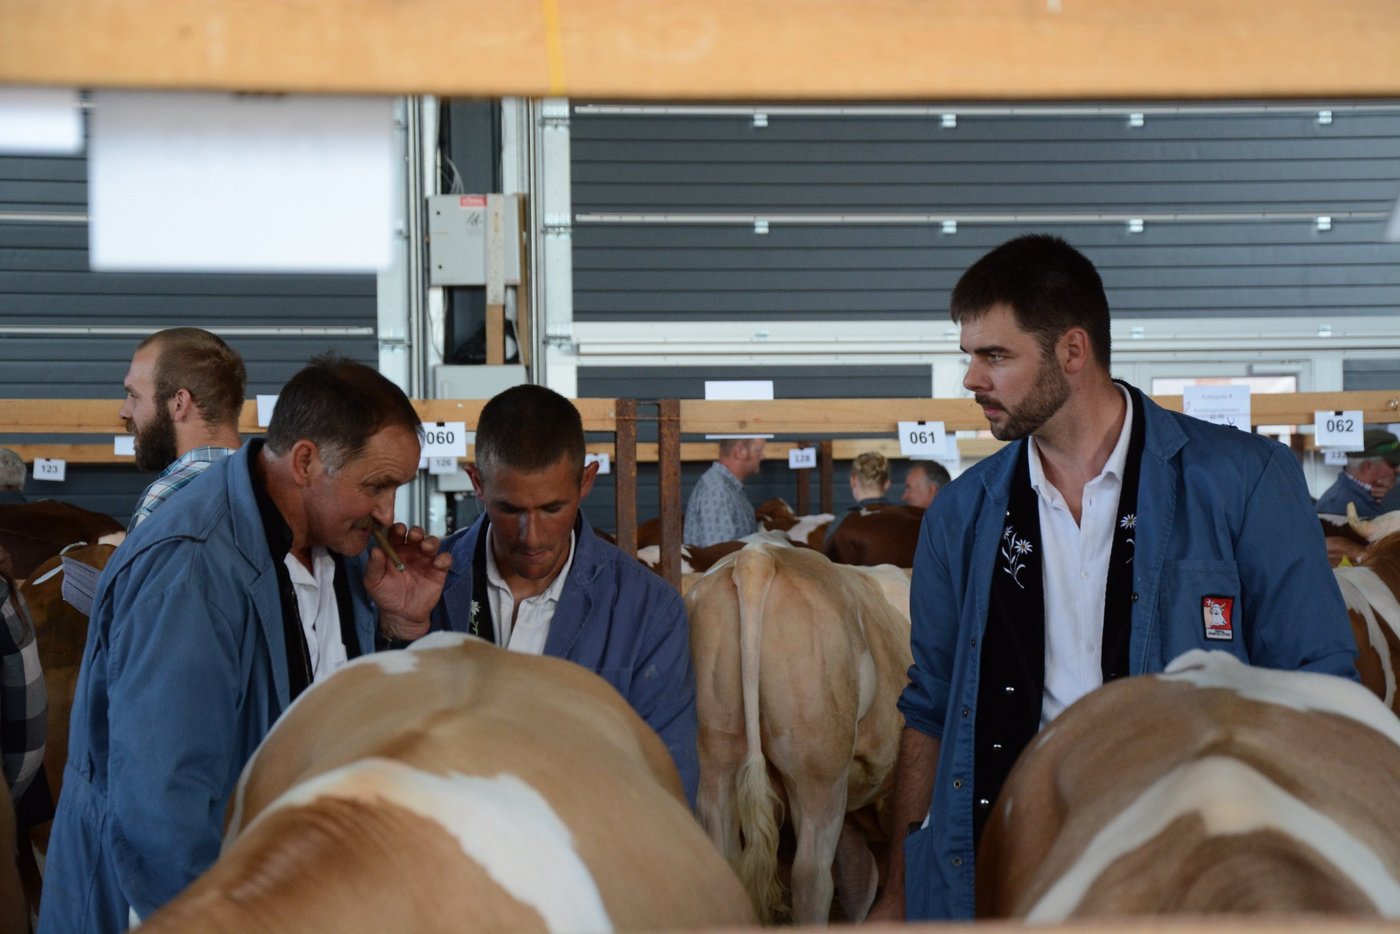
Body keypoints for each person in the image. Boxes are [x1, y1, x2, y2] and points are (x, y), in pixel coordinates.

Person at [870, 234, 1357, 922]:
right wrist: (898, 893)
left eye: (996, 356)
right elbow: (930, 706)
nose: (972, 380)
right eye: (969, 357)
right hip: (1009, 857)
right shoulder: (960, 514)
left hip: (1193, 867)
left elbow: (1318, 681)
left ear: (1073, 352)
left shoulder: (1244, 480)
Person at [41, 356, 451, 933]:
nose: (388, 512)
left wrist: (400, 628)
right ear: (306, 461)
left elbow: (350, 734)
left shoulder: (349, 555)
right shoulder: (190, 566)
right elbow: (163, 811)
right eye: (376, 486)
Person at [405, 384, 699, 805]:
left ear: (585, 482)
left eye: (551, 509)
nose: (532, 537)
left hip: (586, 861)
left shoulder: (650, 614)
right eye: (510, 510)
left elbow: (668, 790)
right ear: (477, 483)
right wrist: (402, 627)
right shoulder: (420, 587)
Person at [118, 327, 246, 529]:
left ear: (179, 403)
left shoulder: (165, 499)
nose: (124, 412)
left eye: (134, 395)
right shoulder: (266, 488)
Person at [684, 437, 766, 547]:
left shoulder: (726, 487)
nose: (763, 456)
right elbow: (720, 554)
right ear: (739, 451)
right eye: (758, 450)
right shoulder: (716, 491)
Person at [1315, 427, 1400, 518]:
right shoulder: (1334, 507)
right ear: (1367, 467)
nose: (1398, 470)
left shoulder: (1390, 493)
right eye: (1393, 464)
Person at [823, 451, 893, 548]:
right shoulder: (902, 521)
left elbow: (826, 558)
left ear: (853, 481)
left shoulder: (842, 522)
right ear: (887, 483)